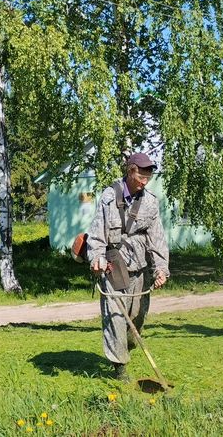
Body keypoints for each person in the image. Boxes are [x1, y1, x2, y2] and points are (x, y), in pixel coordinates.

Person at [86, 152, 170, 382]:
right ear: (130, 171)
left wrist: (161, 269)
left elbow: (157, 239)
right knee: (115, 318)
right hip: (113, 266)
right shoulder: (109, 197)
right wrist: (96, 258)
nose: (145, 181)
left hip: (140, 268)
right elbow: (97, 234)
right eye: (141, 176)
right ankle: (120, 368)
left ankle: (127, 345)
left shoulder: (150, 202)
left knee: (136, 319)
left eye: (148, 177)